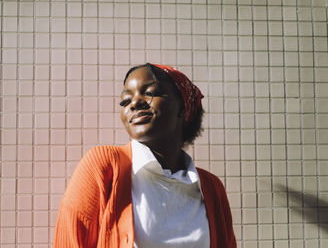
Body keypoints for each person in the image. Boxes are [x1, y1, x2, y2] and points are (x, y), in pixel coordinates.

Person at [53, 63, 236, 248]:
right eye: (125, 100)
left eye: (149, 93)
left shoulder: (211, 188)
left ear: (182, 107)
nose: (134, 103)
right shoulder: (104, 166)